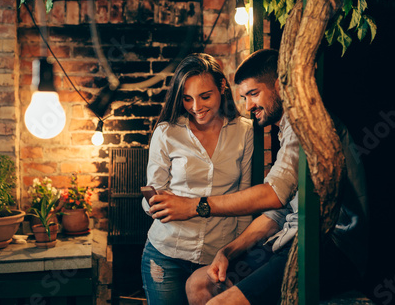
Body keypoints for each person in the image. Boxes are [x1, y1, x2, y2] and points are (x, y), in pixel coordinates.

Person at [148, 49, 369, 304]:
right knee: (199, 284)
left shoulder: (305, 124)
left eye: (254, 94)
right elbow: (279, 213)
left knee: (220, 302)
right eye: (244, 97)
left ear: (279, 86)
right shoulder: (283, 130)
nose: (249, 106)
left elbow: (273, 195)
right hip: (288, 239)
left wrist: (196, 206)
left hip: (329, 247)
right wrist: (227, 252)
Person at [141, 53, 254, 305]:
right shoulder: (167, 132)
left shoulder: (244, 131)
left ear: (222, 88)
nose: (196, 107)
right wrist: (154, 204)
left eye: (205, 96)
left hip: (217, 259)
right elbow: (154, 190)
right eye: (187, 98)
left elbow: (245, 202)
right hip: (166, 254)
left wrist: (236, 254)